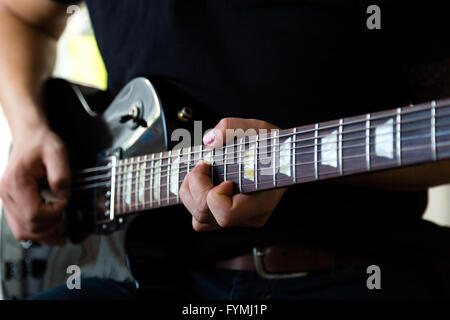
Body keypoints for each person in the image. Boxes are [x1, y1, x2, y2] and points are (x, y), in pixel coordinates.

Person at [0, 0, 450, 300]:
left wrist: (284, 165)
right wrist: (27, 127)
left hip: (354, 271)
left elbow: (440, 134)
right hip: (137, 276)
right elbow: (19, 16)